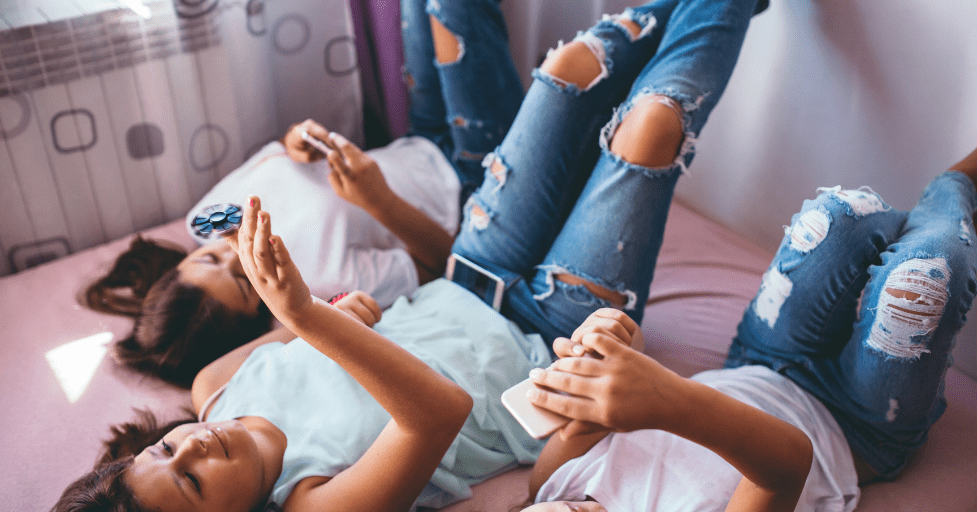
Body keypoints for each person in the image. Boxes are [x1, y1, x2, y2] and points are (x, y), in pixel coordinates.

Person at [53, 0, 769, 510]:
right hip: (559, 337)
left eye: (162, 453)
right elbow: (437, 411)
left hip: (470, 270)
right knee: (649, 130)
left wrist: (344, 314)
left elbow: (351, 323)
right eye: (190, 483)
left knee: (567, 72)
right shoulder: (312, 502)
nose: (192, 448)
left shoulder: (215, 385)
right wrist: (308, 316)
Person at [81, 0, 526, 387]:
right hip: (477, 177)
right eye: (243, 279)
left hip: (420, 138)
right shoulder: (320, 284)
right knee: (454, 8)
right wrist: (378, 203)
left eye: (209, 258)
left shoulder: (205, 219)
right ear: (259, 310)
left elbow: (278, 155)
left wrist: (297, 142)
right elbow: (450, 262)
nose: (236, 251)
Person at [520, 154, 977, 511]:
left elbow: (615, 387)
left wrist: (614, 344)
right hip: (857, 428)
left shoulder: (553, 483)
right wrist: (662, 399)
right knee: (925, 277)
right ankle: (953, 190)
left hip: (761, 362)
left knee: (836, 216)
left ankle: (935, 214)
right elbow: (788, 462)